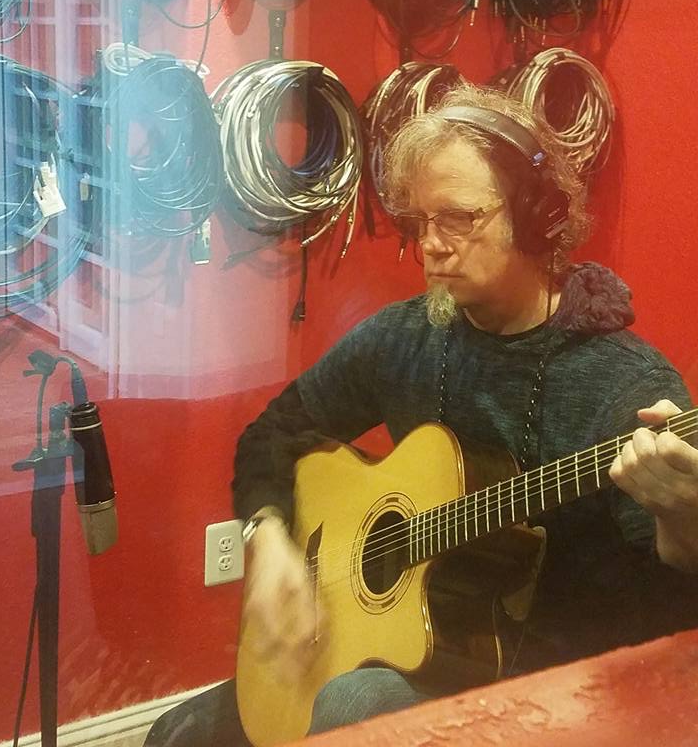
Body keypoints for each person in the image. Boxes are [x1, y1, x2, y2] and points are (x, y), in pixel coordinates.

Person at [145, 83, 698, 747]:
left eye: (458, 218)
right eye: (420, 221)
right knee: (176, 732)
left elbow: (676, 612)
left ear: (537, 217)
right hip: (419, 648)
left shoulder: (623, 385)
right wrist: (267, 541)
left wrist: (684, 517)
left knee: (352, 707)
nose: (431, 245)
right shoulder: (404, 337)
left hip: (552, 684)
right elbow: (273, 433)